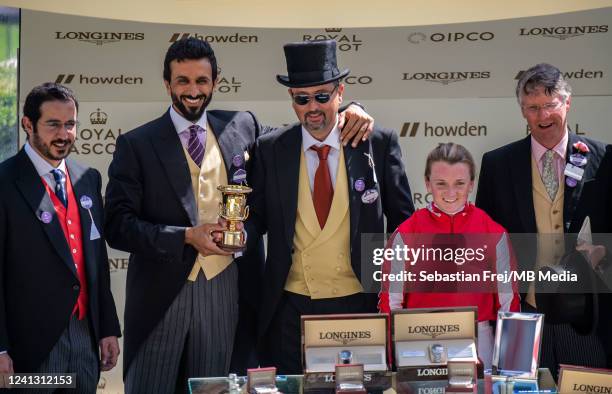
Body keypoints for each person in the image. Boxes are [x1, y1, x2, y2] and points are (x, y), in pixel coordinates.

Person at [104, 37, 374, 393]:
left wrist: (347, 108)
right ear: (167, 83)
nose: (193, 90)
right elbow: (117, 226)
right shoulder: (137, 143)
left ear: (216, 82)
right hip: (161, 296)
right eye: (182, 81)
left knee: (218, 388)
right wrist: (184, 236)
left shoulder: (241, 126)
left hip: (226, 290)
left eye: (202, 81)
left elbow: (304, 131)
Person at [246, 40, 415, 374]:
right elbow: (258, 219)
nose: (313, 107)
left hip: (360, 304)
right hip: (290, 308)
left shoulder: (376, 143)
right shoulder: (271, 148)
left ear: (341, 92)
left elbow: (404, 223)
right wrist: (232, 235)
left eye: (322, 96)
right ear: (291, 99)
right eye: (302, 98)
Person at [476, 63, 612, 375]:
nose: (542, 116)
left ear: (568, 103)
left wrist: (604, 254)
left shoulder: (604, 158)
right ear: (522, 111)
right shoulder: (498, 164)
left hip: (585, 314)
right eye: (532, 108)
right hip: (520, 311)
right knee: (514, 385)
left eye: (550, 106)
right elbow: (486, 244)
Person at [0, 83, 121, 391]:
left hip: (84, 338)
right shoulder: (4, 182)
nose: (64, 134)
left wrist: (107, 329)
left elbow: (97, 263)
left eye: (70, 125)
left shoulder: (87, 178)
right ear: (28, 124)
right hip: (30, 346)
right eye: (53, 124)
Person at [378, 142, 520, 369]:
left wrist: (509, 364)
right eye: (441, 184)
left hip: (478, 342)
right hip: (419, 341)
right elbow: (391, 303)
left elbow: (508, 303)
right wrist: (395, 359)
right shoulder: (406, 234)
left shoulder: (493, 232)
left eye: (460, 184)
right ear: (427, 183)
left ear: (471, 184)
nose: (451, 193)